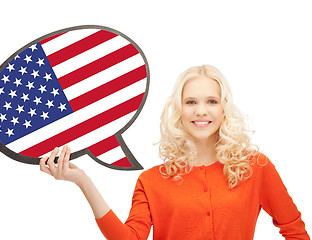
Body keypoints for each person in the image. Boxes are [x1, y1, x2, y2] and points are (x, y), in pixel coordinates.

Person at [39, 65, 310, 239]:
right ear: (179, 111)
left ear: (224, 108)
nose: (201, 110)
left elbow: (295, 231)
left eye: (211, 101)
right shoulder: (152, 181)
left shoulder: (254, 167)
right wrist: (83, 181)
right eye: (191, 101)